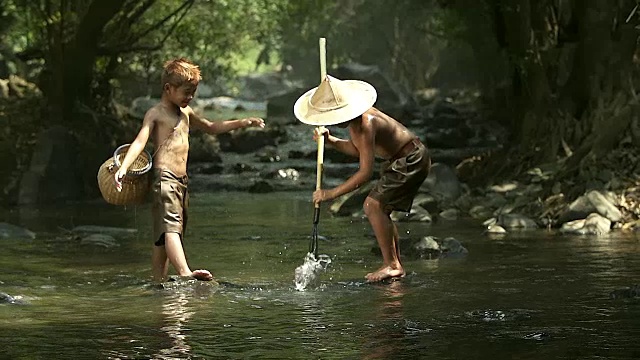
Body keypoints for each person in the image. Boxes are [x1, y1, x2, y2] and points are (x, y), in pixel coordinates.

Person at [115, 57, 265, 282]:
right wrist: (124, 167)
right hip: (164, 178)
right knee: (170, 228)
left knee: (163, 234)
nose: (190, 97)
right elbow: (139, 141)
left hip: (181, 181)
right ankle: (185, 272)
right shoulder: (155, 114)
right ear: (168, 88)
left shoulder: (186, 113)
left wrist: (243, 122)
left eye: (193, 92)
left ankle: (158, 282)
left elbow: (211, 127)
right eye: (186, 92)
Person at [294, 75, 430, 282]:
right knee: (381, 208)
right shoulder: (356, 124)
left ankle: (392, 265)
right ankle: (395, 263)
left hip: (410, 159)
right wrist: (331, 141)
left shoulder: (365, 123)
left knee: (372, 205)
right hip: (399, 160)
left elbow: (365, 172)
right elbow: (358, 149)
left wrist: (330, 193)